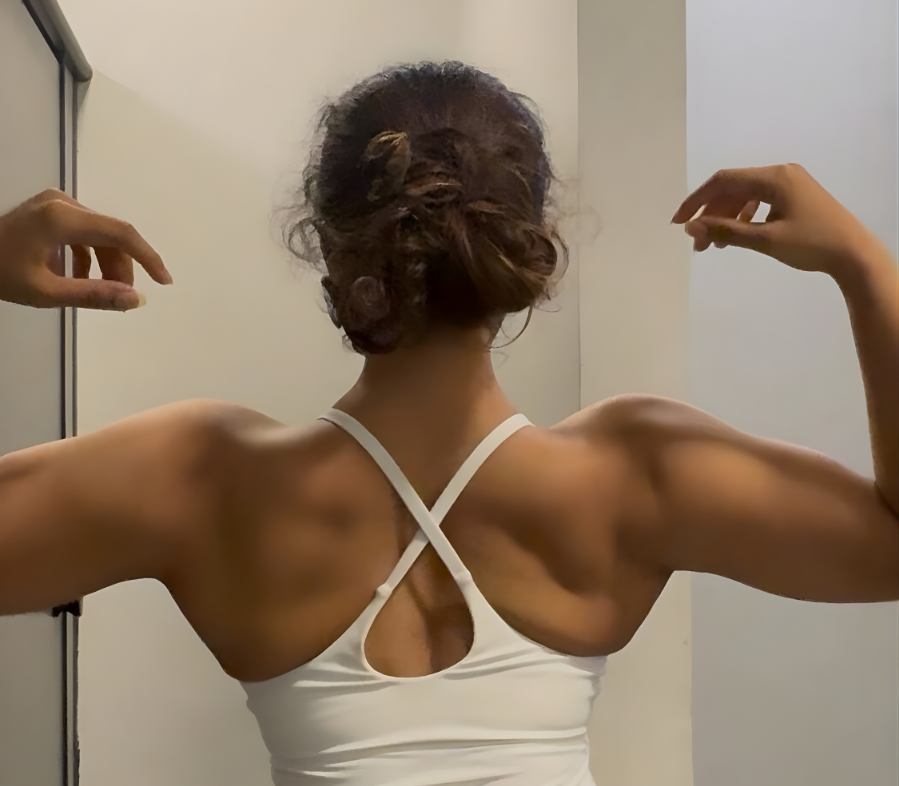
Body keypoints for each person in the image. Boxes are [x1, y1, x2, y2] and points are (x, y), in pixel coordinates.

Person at [0, 61, 896, 786]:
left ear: (328, 239)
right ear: (529, 240)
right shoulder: (634, 473)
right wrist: (862, 262)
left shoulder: (200, 477)